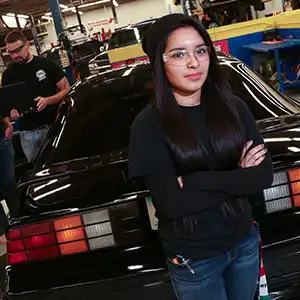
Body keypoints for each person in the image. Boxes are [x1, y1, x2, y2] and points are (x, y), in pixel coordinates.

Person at [129, 14, 273, 300]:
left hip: (244, 241)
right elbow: (172, 204)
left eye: (200, 50)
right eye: (179, 54)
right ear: (160, 62)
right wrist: (237, 178)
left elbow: (262, 176)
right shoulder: (148, 126)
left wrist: (198, 181)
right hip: (195, 259)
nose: (194, 63)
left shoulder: (234, 107)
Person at [2, 30, 70, 162]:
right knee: (37, 171)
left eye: (17, 50)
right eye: (11, 52)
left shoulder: (46, 64)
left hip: (53, 127)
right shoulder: (8, 74)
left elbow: (67, 89)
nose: (15, 55)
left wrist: (47, 101)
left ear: (27, 45)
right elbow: (6, 103)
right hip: (27, 133)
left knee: (60, 164)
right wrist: (12, 113)